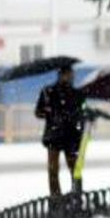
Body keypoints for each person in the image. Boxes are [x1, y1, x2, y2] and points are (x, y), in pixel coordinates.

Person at [34, 66, 85, 200]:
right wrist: (49, 112)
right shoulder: (48, 92)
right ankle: (57, 198)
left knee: (74, 169)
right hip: (55, 136)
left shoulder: (76, 93)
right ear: (61, 75)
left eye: (71, 74)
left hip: (70, 136)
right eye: (69, 74)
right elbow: (38, 112)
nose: (71, 77)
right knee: (54, 170)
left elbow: (82, 113)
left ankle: (76, 195)